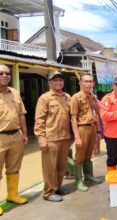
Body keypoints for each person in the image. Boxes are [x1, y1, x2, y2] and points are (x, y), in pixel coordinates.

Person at [34, 71, 72, 202]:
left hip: (65, 137)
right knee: (50, 167)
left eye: (60, 80)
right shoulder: (45, 98)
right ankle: (49, 192)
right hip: (51, 138)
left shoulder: (67, 97)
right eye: (55, 80)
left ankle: (57, 187)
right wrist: (41, 138)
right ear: (49, 82)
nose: (58, 82)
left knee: (62, 166)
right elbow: (39, 120)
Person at [0, 64, 28, 216]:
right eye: (1, 73)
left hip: (16, 136)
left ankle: (12, 195)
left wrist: (24, 134)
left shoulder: (15, 93)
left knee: (14, 168)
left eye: (7, 73)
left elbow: (22, 114)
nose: (5, 76)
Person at [70, 72, 102, 192]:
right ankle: (78, 180)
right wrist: (77, 136)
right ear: (81, 83)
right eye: (86, 81)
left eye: (90, 81)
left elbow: (96, 114)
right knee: (79, 156)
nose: (89, 83)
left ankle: (89, 176)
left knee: (89, 154)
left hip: (92, 127)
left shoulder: (93, 97)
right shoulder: (76, 98)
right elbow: (73, 118)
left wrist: (98, 130)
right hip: (82, 128)